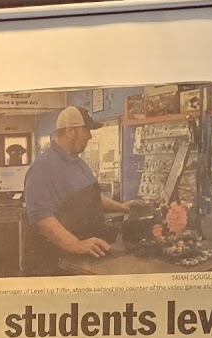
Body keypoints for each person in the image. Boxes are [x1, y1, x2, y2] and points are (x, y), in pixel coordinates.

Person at [23, 106, 138, 264]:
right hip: (59, 260)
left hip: (87, 252)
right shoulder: (42, 168)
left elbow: (93, 197)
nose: (90, 136)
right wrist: (76, 245)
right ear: (71, 131)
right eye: (86, 130)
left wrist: (121, 207)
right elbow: (42, 219)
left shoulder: (78, 163)